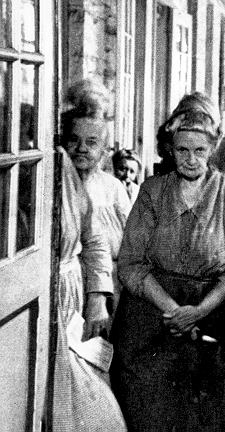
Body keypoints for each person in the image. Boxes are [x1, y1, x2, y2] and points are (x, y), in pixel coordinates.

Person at [111, 92, 225, 432]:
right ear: (170, 148)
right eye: (182, 150)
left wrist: (200, 310)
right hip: (153, 317)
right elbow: (131, 263)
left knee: (214, 416)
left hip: (219, 317)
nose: (191, 160)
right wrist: (174, 311)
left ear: (213, 148)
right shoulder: (152, 192)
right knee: (152, 412)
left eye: (200, 151)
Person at [52, 146, 127, 431]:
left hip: (69, 291)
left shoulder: (62, 165)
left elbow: (95, 241)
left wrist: (97, 298)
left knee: (79, 384)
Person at [62, 79, 131, 324]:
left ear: (104, 149)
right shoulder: (58, 186)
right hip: (69, 284)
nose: (81, 148)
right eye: (73, 140)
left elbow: (132, 244)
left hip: (109, 288)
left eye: (91, 143)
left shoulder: (112, 188)